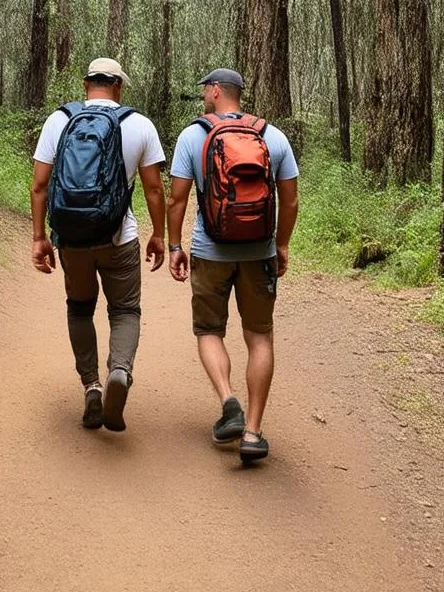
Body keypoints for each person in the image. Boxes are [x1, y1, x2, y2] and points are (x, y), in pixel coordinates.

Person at [167, 68, 299, 463]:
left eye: (205, 90)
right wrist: (282, 245)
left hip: (210, 251)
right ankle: (254, 433)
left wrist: (175, 246)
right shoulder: (272, 136)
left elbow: (177, 200)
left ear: (214, 91)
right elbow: (290, 202)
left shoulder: (193, 136)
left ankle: (229, 402)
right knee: (260, 337)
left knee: (209, 330)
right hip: (259, 253)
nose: (204, 97)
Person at [31, 57, 166, 433]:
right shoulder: (138, 125)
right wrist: (159, 235)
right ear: (118, 87)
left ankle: (91, 386)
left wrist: (40, 237)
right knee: (125, 311)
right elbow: (155, 189)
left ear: (85, 85)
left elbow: (39, 185)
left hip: (72, 239)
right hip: (118, 237)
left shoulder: (59, 121)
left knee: (79, 308)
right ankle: (119, 371)